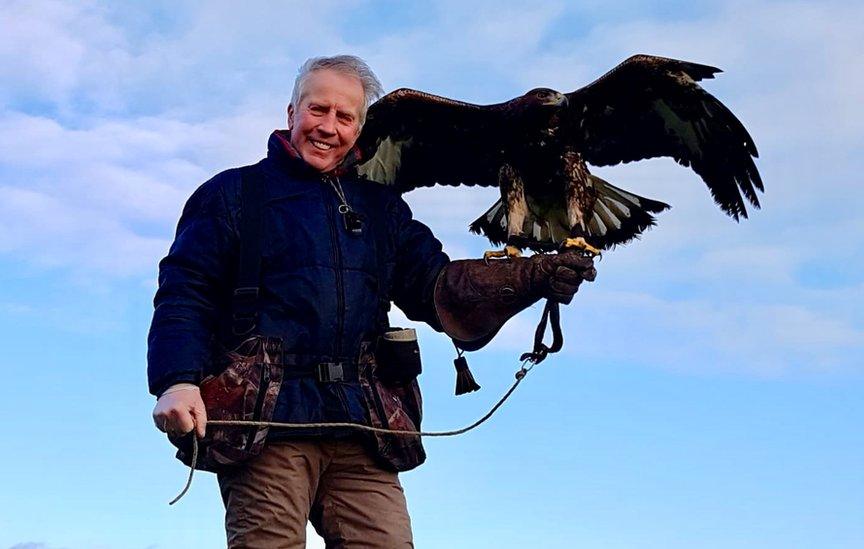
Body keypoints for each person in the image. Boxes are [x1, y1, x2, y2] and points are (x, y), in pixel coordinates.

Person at [148, 55, 596, 548]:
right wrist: (177, 380)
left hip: (362, 422)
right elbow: (185, 291)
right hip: (267, 421)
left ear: (360, 128)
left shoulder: (382, 207)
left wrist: (528, 277)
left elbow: (437, 289)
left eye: (345, 117)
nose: (328, 128)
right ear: (291, 111)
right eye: (318, 110)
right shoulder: (233, 194)